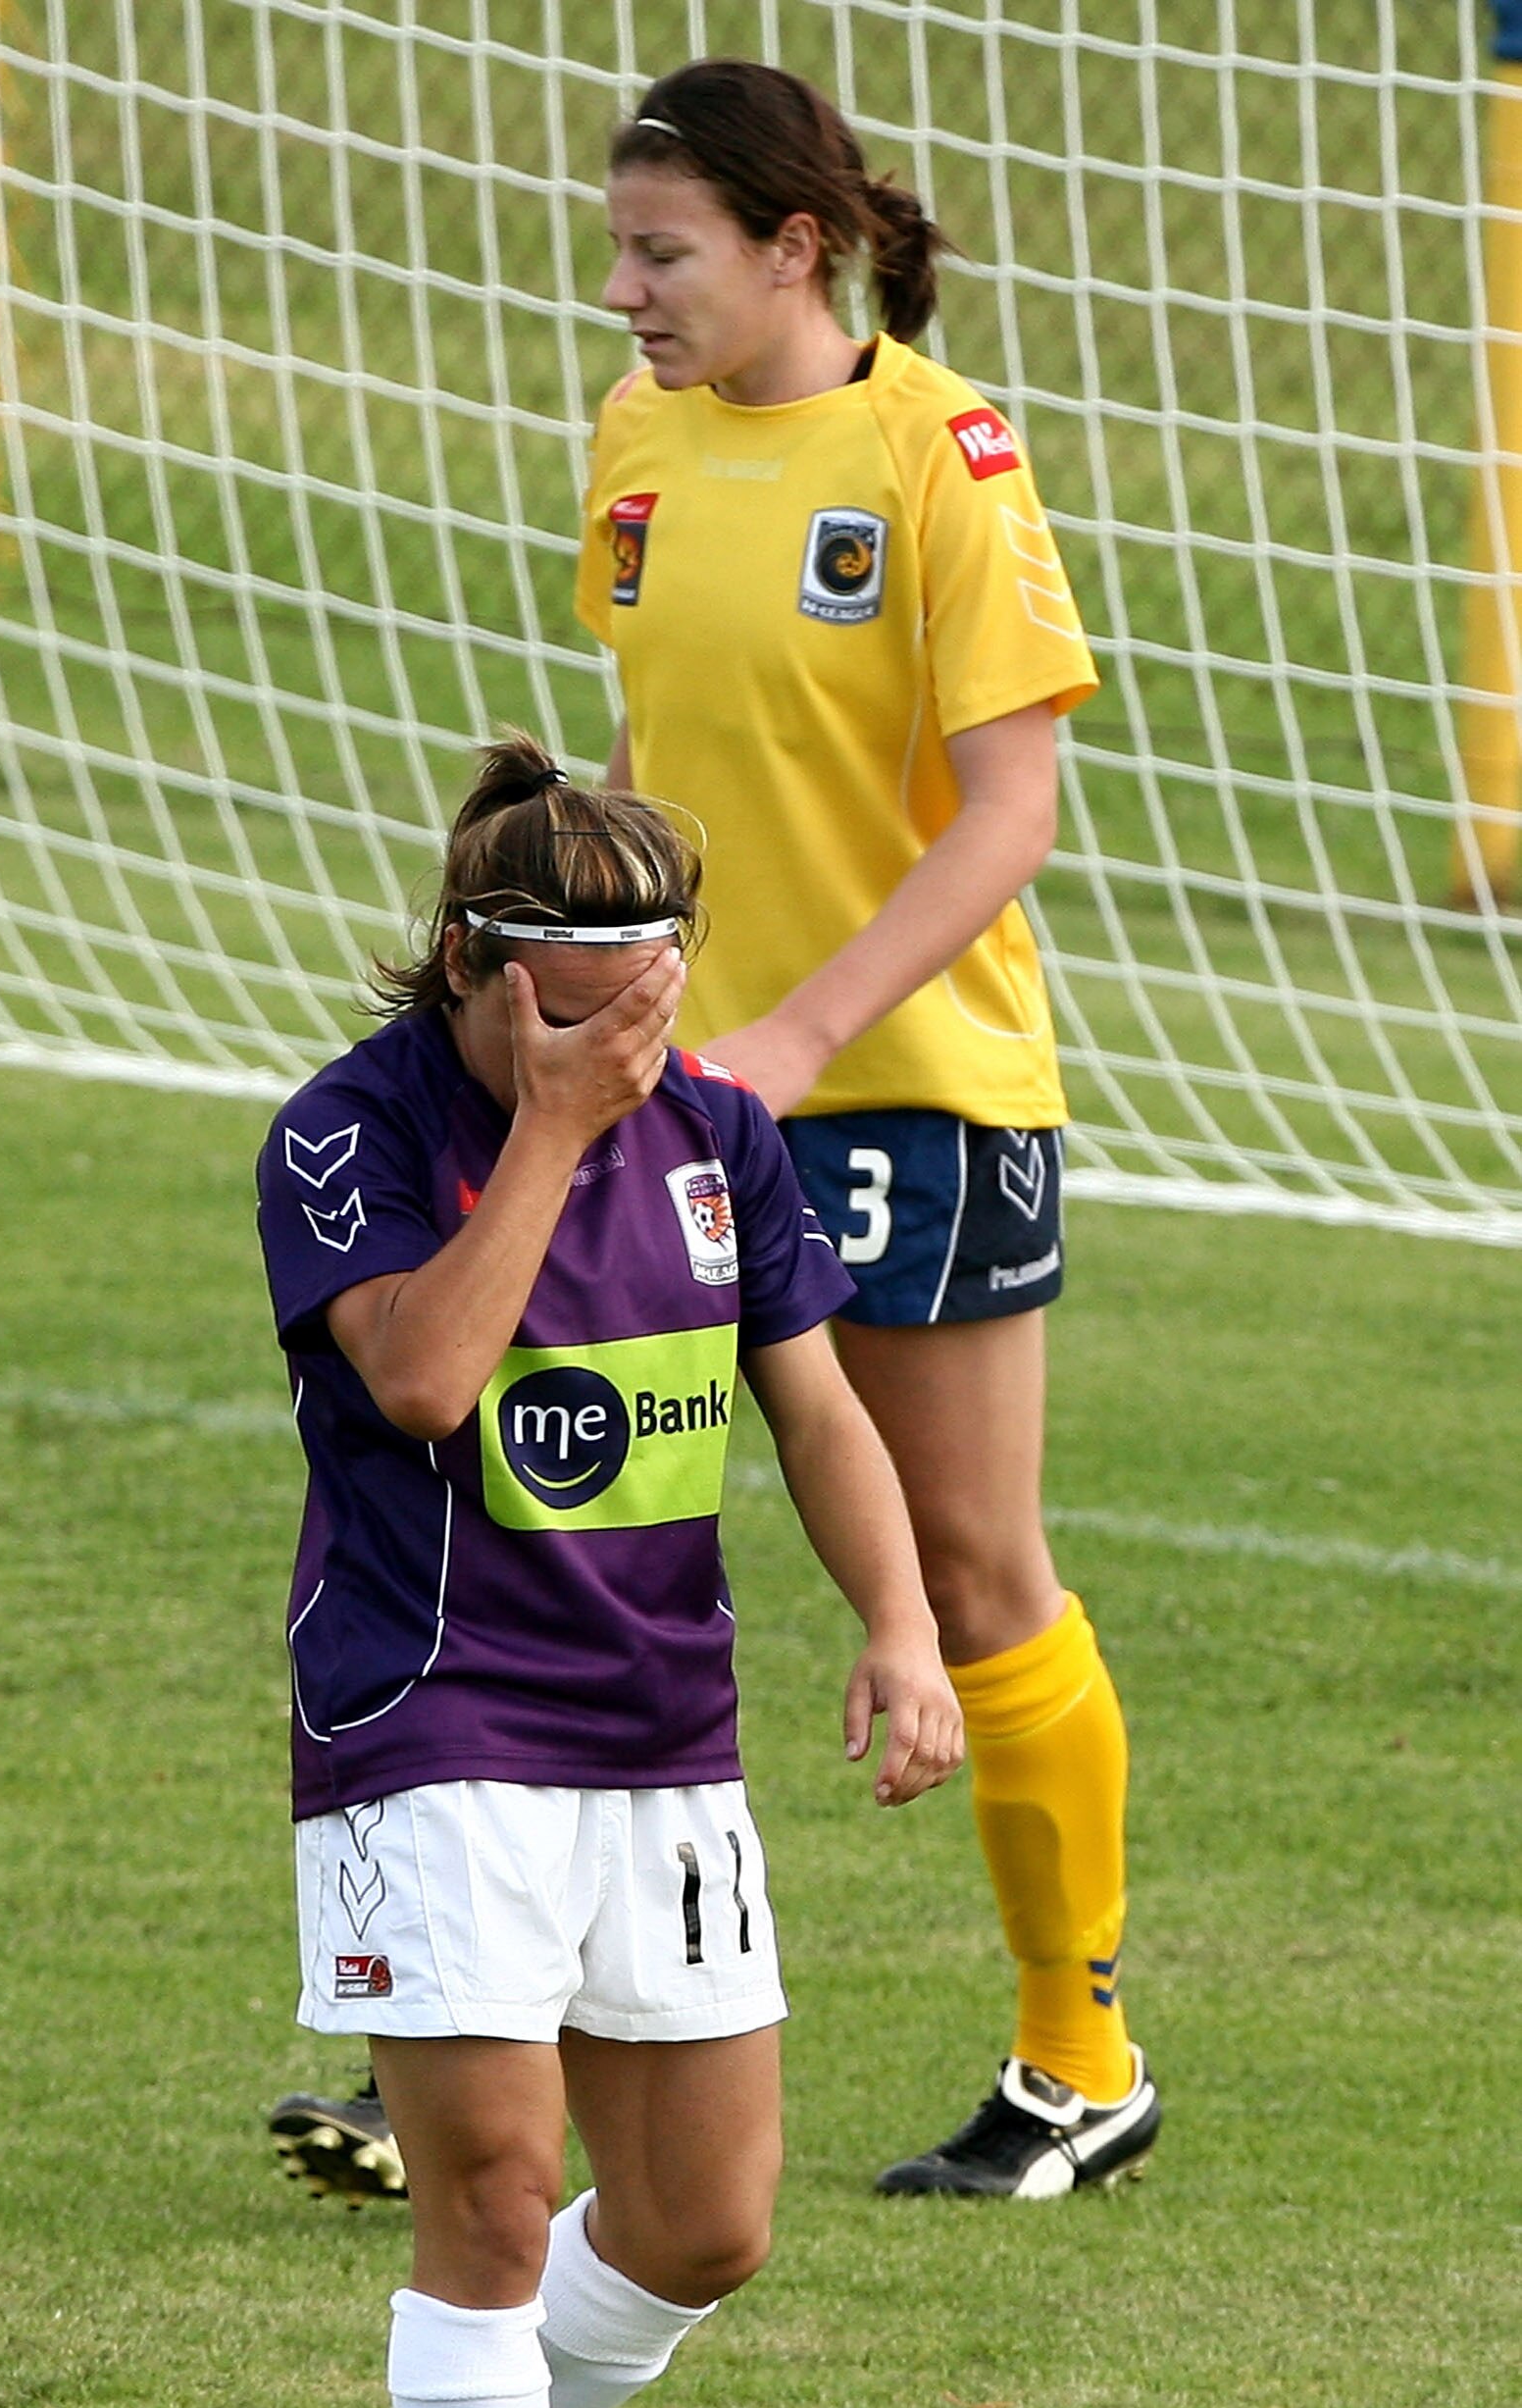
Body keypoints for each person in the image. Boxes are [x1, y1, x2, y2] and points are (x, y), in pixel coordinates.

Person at [263, 737, 961, 2408]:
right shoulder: (344, 1135)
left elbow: (813, 1401)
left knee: (705, 2229)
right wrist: (555, 1134)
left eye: (658, 982)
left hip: (664, 1740)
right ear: (479, 962)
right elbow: (421, 1381)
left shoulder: (720, 1140)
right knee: (485, 2201)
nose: (630, 1030)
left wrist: (901, 1629)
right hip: (428, 1722)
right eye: (587, 993)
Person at [570, 57, 1161, 2199]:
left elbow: (1012, 812)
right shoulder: (635, 441)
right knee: (584, 1528)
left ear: (793, 246)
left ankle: (1072, 2062)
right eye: (617, 249)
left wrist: (804, 1033)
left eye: (664, 253)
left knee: (968, 1567)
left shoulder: (943, 458)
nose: (623, 291)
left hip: (907, 1093)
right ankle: (485, 2033)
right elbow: (654, 751)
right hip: (667, 1086)